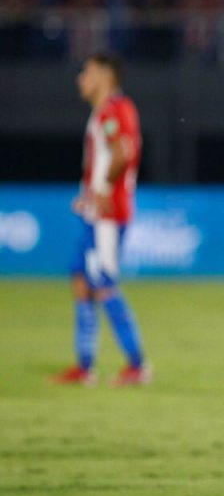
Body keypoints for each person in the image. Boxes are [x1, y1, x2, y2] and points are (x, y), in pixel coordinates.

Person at [52, 52, 149, 387]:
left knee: (104, 283)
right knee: (81, 280)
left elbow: (123, 153)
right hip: (96, 212)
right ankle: (85, 366)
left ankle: (137, 365)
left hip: (108, 215)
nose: (81, 79)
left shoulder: (113, 110)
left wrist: (103, 190)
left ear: (106, 77)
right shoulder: (108, 111)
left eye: (87, 73)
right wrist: (90, 193)